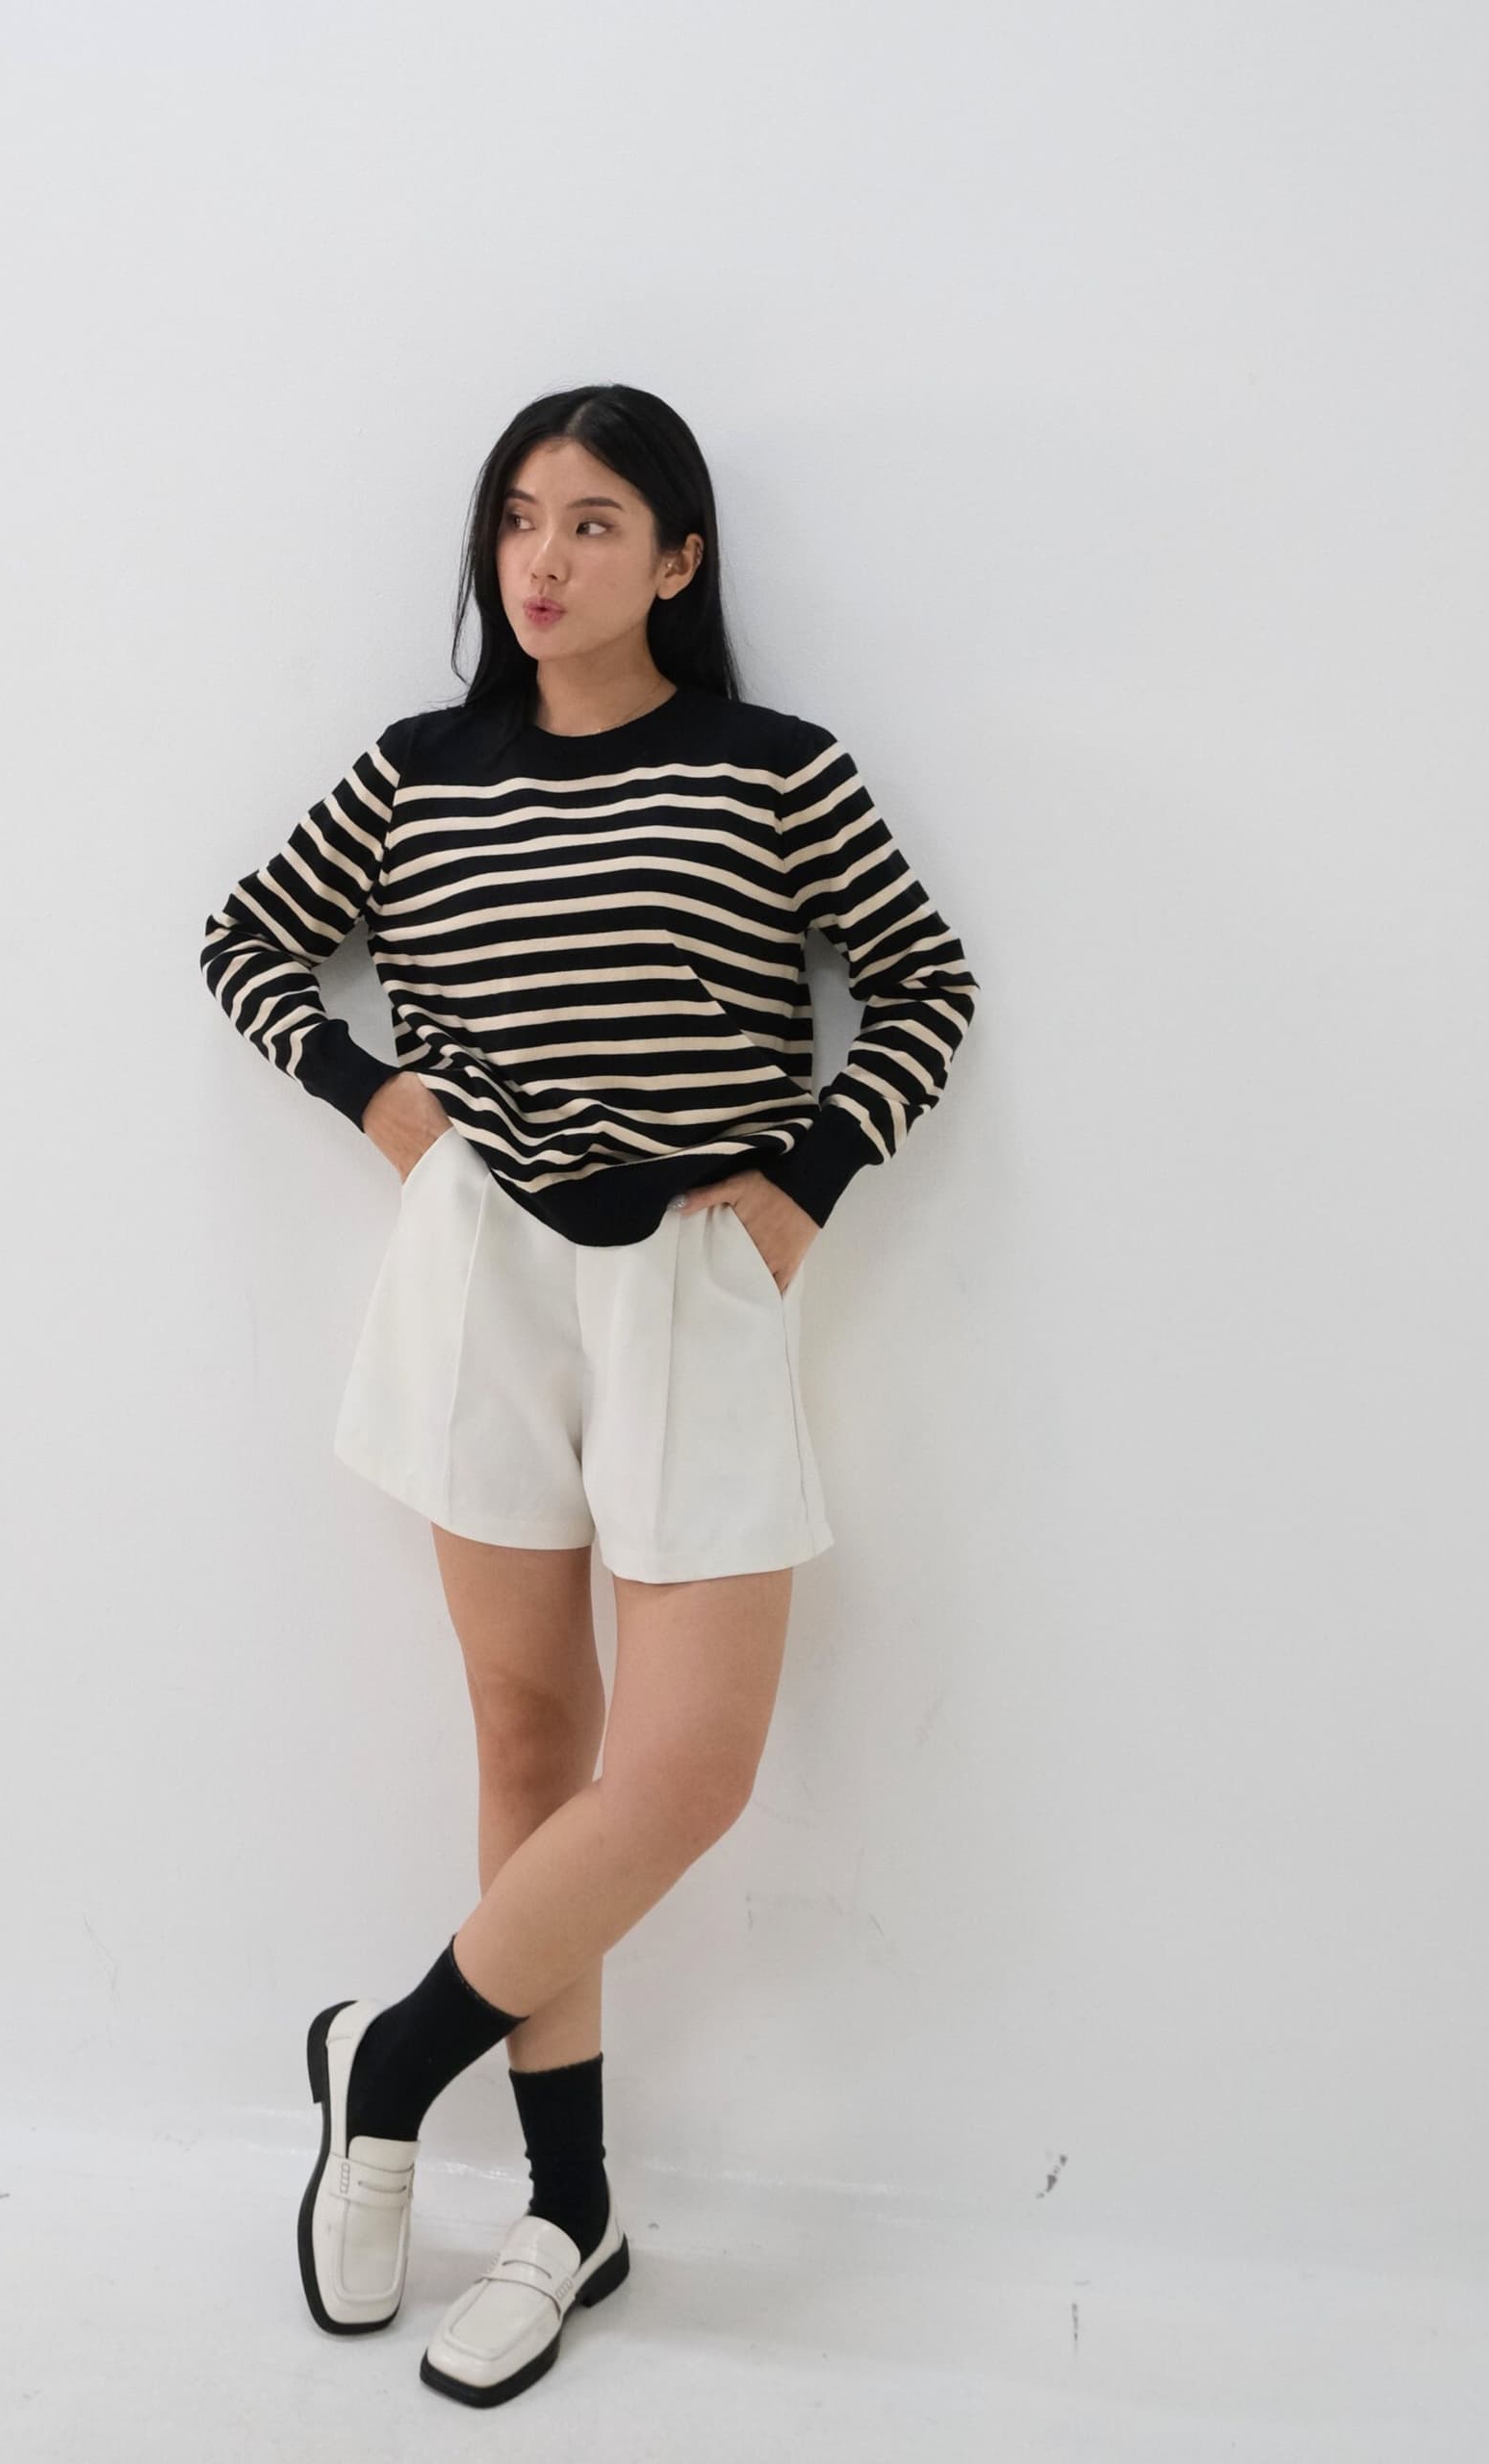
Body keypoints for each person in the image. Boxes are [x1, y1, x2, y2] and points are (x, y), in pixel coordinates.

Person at [198, 381, 980, 2405]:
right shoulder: (420, 770)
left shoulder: (771, 768)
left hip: (692, 1279)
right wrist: (378, 1100)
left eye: (595, 523)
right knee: (532, 1737)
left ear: (679, 557)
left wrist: (806, 1181)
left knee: (686, 1769)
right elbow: (249, 939)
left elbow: (923, 982)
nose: (542, 561)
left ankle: (387, 2063)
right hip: (481, 1275)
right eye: (520, 520)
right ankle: (570, 2210)